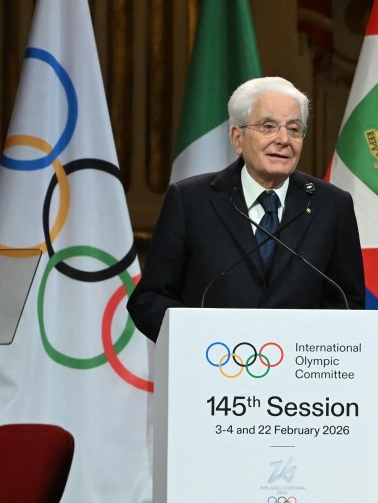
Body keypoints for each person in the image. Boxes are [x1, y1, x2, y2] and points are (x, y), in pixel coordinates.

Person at [127, 76, 365, 341]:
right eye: (268, 126)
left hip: (297, 374)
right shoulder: (190, 200)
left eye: (295, 129)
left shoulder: (332, 205)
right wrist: (197, 340)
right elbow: (149, 300)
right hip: (212, 366)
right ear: (237, 138)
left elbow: (347, 302)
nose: (284, 139)